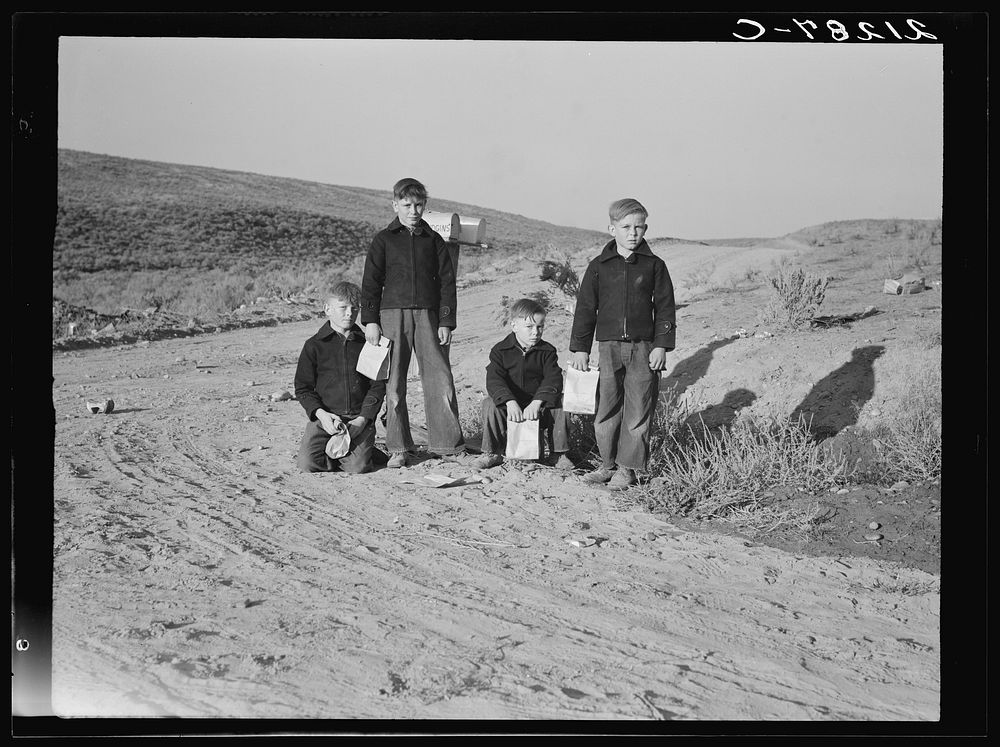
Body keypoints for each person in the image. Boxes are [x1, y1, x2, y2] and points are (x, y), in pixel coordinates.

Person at [568, 198, 676, 489]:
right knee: (607, 407)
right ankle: (607, 465)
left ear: (646, 229)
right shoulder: (598, 267)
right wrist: (580, 347)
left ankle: (627, 469)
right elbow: (586, 308)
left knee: (638, 408)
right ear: (611, 228)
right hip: (608, 348)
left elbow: (665, 308)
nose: (633, 233)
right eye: (626, 227)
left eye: (639, 227)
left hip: (643, 348)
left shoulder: (654, 266)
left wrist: (661, 345)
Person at [360, 177, 466, 468]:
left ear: (425, 205)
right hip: (392, 316)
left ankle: (447, 444)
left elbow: (447, 283)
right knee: (394, 382)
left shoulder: (433, 241)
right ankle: (398, 447)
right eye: (407, 205)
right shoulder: (383, 240)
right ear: (395, 204)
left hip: (429, 317)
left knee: (439, 377)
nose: (413, 210)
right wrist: (370, 320)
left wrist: (446, 321)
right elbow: (370, 283)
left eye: (419, 205)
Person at [294, 281, 387, 474]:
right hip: (325, 418)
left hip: (357, 419)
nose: (349, 313)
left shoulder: (368, 344)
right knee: (307, 464)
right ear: (327, 309)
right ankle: (343, 451)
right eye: (343, 307)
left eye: (354, 308)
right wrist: (321, 414)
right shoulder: (314, 345)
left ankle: (361, 451)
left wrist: (363, 419)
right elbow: (303, 388)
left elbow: (377, 386)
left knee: (357, 468)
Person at [474, 298, 576, 470]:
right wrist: (509, 401)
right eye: (529, 327)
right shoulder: (500, 351)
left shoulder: (548, 351)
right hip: (511, 409)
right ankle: (492, 452)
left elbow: (554, 379)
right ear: (514, 326)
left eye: (540, 326)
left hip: (539, 408)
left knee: (562, 402)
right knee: (489, 404)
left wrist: (537, 402)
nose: (535, 332)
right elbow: (494, 379)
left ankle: (558, 454)